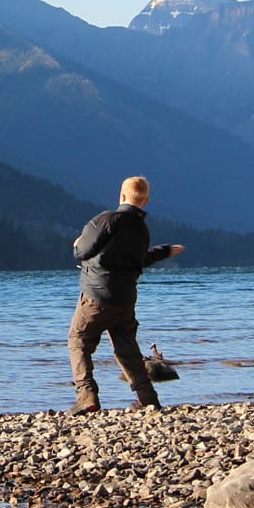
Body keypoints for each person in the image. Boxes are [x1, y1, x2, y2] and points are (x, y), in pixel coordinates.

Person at [67, 175, 185, 414]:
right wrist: (164, 251)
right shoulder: (141, 229)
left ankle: (86, 394)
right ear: (146, 200)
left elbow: (81, 251)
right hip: (125, 299)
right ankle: (147, 397)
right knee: (127, 348)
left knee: (78, 341)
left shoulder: (106, 220)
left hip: (96, 296)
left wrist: (78, 242)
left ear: (121, 195)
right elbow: (141, 260)